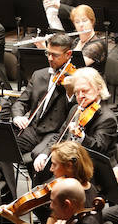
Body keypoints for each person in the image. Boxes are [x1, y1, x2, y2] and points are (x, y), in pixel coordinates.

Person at [0, 141, 98, 224]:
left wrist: (15, 220)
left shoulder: (66, 194)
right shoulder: (91, 188)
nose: (51, 169)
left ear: (69, 166)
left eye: (54, 165)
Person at [13, 33, 77, 175]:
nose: (49, 58)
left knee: (39, 156)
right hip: (33, 130)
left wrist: (70, 91)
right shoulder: (38, 75)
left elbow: (74, 111)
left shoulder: (75, 79)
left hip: (54, 133)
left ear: (68, 54)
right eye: (48, 53)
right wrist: (18, 116)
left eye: (55, 55)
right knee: (4, 147)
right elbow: (22, 102)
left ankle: (40, 188)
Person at [35, 67, 117, 172]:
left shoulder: (107, 118)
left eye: (85, 91)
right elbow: (61, 135)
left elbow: (98, 148)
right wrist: (45, 153)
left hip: (92, 169)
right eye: (77, 92)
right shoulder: (76, 109)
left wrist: (82, 136)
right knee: (40, 161)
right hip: (71, 163)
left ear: (98, 89)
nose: (81, 96)